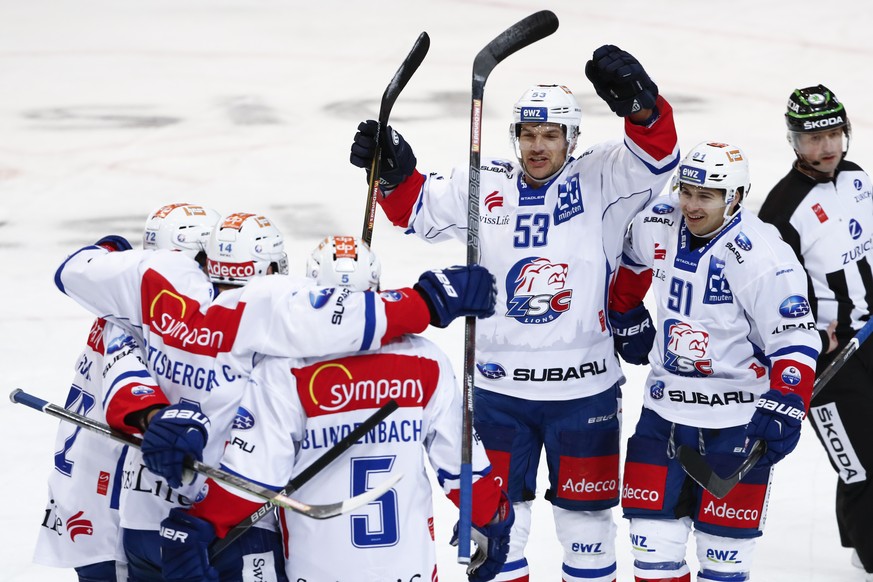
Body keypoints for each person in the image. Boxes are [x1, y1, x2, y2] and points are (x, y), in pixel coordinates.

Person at [350, 45, 679, 582]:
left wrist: (642, 109)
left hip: (583, 392)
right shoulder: (486, 181)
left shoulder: (602, 177)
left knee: (588, 528)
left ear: (571, 139)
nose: (537, 146)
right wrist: (393, 172)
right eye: (528, 134)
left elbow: (658, 153)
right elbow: (415, 208)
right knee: (496, 529)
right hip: (498, 393)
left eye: (550, 135)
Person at [54, 212, 496, 580]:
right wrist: (430, 299)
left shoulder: (152, 281)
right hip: (390, 564)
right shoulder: (416, 361)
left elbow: (76, 278)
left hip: (158, 517)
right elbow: (463, 466)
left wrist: (197, 523)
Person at [157, 234, 514, 582]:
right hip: (409, 568)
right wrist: (493, 518)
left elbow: (254, 477)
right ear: (378, 288)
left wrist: (201, 522)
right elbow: (462, 467)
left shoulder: (285, 370)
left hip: (317, 570)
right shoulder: (426, 360)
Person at [608, 142, 821, 581]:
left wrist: (786, 400)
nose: (691, 204)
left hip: (736, 422)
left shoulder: (763, 255)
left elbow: (795, 336)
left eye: (706, 196)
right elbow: (630, 260)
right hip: (663, 414)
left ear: (736, 197)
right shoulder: (658, 222)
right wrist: (626, 311)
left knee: (723, 562)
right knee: (651, 555)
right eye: (686, 191)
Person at [32, 202, 219, 582]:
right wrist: (153, 417)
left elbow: (92, 260)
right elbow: (129, 389)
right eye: (207, 258)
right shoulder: (140, 318)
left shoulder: (121, 299)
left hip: (85, 498)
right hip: (108, 512)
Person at [757, 85, 873, 579]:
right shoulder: (780, 210)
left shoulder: (857, 178)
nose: (825, 147)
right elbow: (766, 290)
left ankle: (863, 544)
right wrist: (799, 338)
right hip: (832, 357)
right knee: (861, 465)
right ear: (793, 140)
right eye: (812, 136)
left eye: (832, 133)